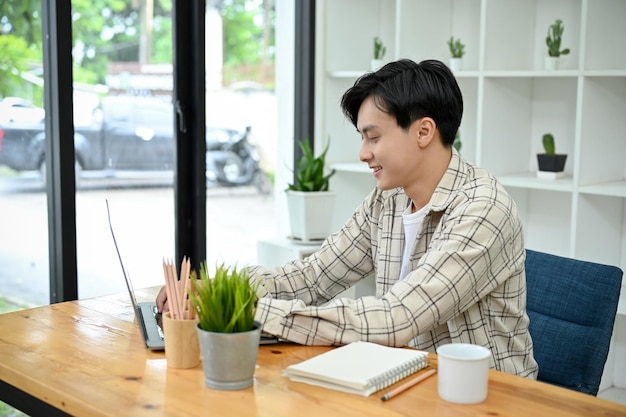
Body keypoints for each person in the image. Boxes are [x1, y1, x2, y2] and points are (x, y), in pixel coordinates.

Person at [157, 58, 538, 378]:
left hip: (489, 399)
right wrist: (217, 288)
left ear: (424, 131)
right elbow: (313, 277)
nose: (362, 153)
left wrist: (243, 309)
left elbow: (397, 318)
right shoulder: (387, 200)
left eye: (373, 137)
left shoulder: (483, 207)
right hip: (407, 380)